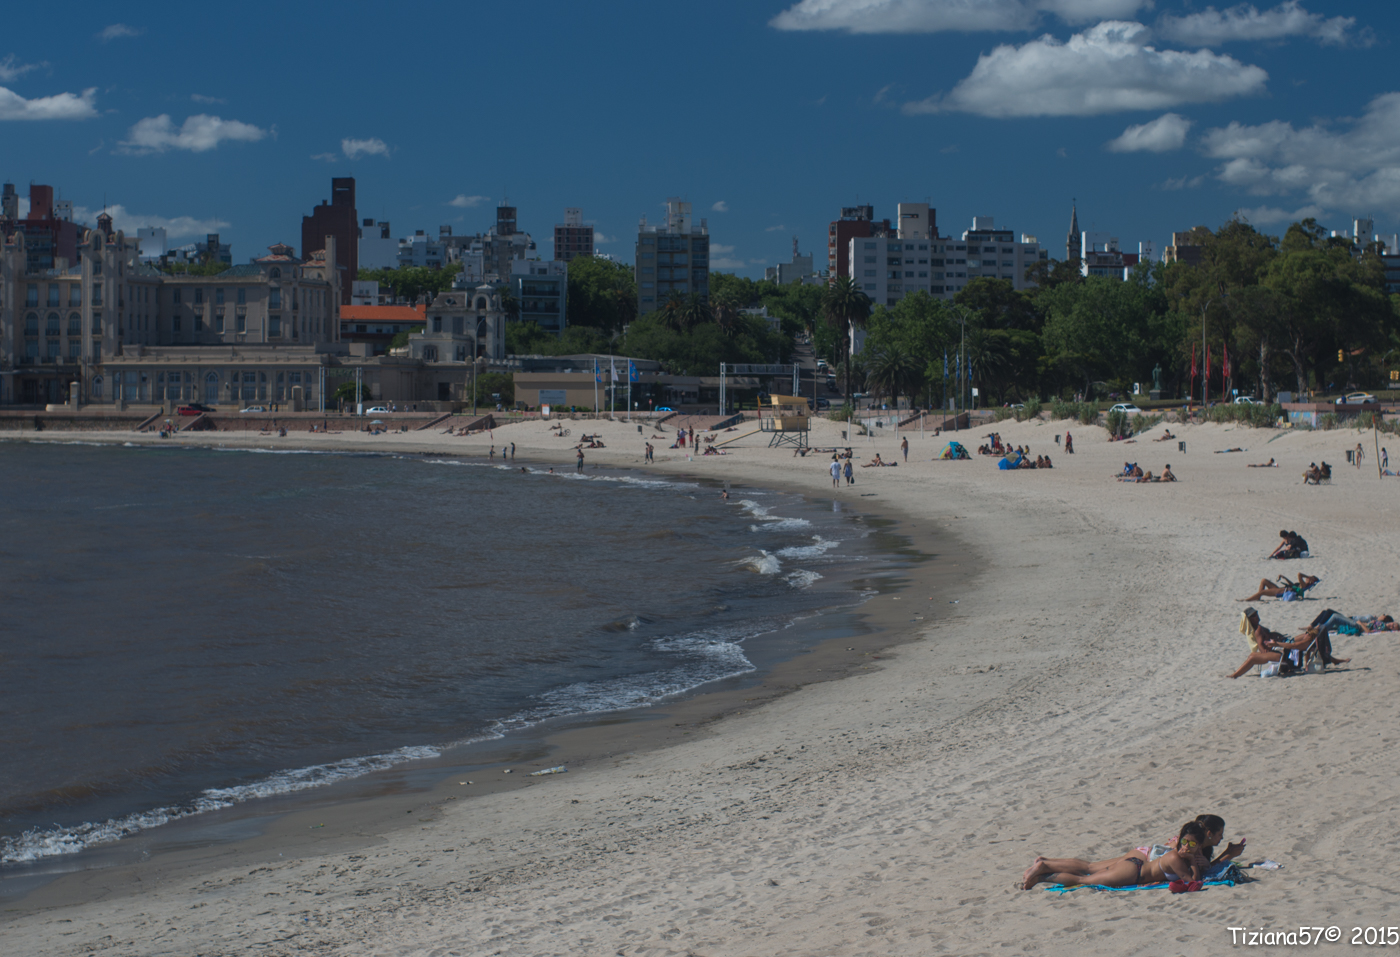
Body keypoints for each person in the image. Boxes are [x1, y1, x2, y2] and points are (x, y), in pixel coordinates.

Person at [1022, 821, 1207, 890]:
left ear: (1198, 845)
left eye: (1191, 844)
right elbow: (1193, 882)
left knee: (1089, 869)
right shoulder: (1176, 858)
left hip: (1134, 865)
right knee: (1084, 879)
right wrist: (1192, 861)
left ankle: (1046, 865)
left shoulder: (1177, 856)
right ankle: (1043, 875)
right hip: (1133, 873)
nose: (1186, 847)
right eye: (1184, 842)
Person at [1237, 572, 1319, 602]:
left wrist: (1309, 576)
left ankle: (1246, 600)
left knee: (1262, 592)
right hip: (1281, 589)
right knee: (1264, 580)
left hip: (1283, 591)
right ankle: (1258, 597)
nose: (1307, 578)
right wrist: (1284, 577)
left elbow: (1299, 574)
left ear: (1311, 580)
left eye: (1309, 578)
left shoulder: (1304, 585)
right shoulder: (1301, 584)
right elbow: (1292, 585)